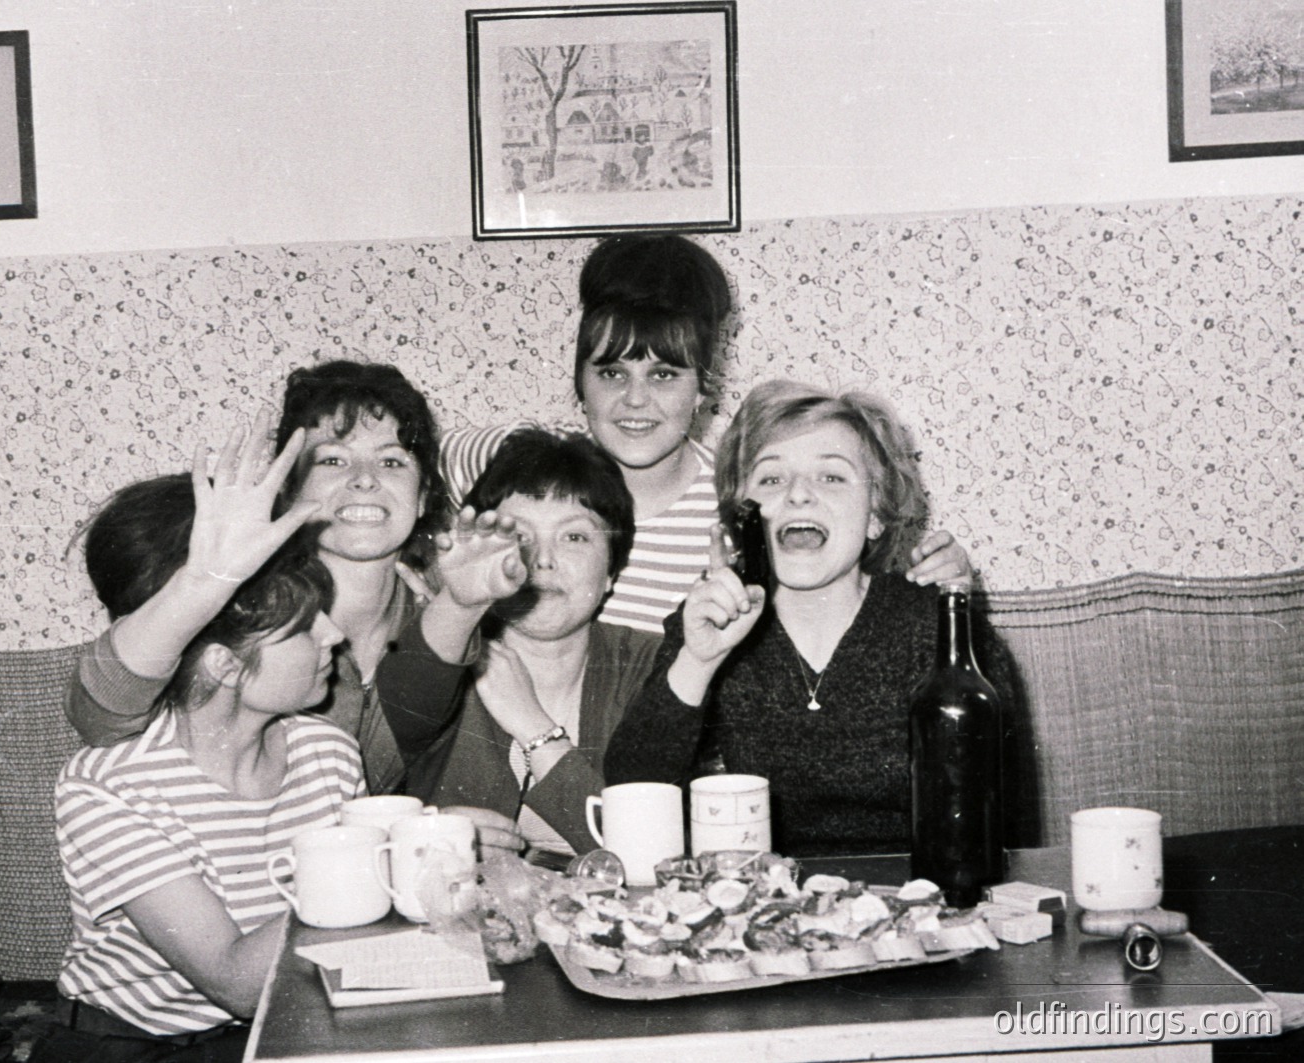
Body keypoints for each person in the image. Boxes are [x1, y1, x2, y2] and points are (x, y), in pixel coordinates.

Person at [440, 234, 971, 637]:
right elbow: (403, 470)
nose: (635, 400)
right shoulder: (515, 459)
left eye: (665, 376)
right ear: (580, 382)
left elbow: (839, 569)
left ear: (704, 389)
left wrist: (937, 579)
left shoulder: (739, 500)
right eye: (611, 373)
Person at [604, 380, 1030, 857]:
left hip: (920, 902)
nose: (799, 495)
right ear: (738, 516)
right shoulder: (707, 623)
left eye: (831, 477)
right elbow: (630, 796)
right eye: (771, 479)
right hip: (760, 907)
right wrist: (697, 662)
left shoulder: (941, 625)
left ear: (876, 513)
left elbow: (1005, 824)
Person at [56, 474, 358, 1044]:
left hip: (284, 1029)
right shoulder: (111, 786)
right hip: (136, 1046)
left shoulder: (328, 754)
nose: (335, 634)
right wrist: (380, 863)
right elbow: (234, 982)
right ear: (223, 665)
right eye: (303, 626)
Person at [66, 361, 448, 798]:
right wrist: (200, 584)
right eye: (333, 459)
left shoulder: (448, 597)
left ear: (423, 497)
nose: (364, 479)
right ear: (288, 489)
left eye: (392, 460)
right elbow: (98, 717)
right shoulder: (249, 608)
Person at [377, 430, 659, 856]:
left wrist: (535, 730)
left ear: (611, 572)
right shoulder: (445, 656)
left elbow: (649, 851)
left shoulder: (652, 663)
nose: (543, 559)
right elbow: (407, 687)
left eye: (575, 537)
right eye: (521, 537)